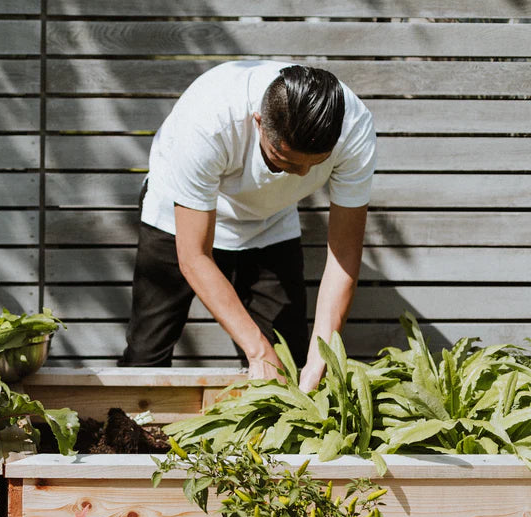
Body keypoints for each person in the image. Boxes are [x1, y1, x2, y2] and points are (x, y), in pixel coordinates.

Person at [119, 61, 376, 392]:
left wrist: (320, 357)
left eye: (314, 165)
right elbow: (194, 256)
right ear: (259, 123)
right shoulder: (209, 121)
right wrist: (257, 350)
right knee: (146, 356)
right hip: (177, 217)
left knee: (288, 363)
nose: (300, 175)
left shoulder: (354, 129)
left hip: (270, 221)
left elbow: (344, 254)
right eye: (284, 161)